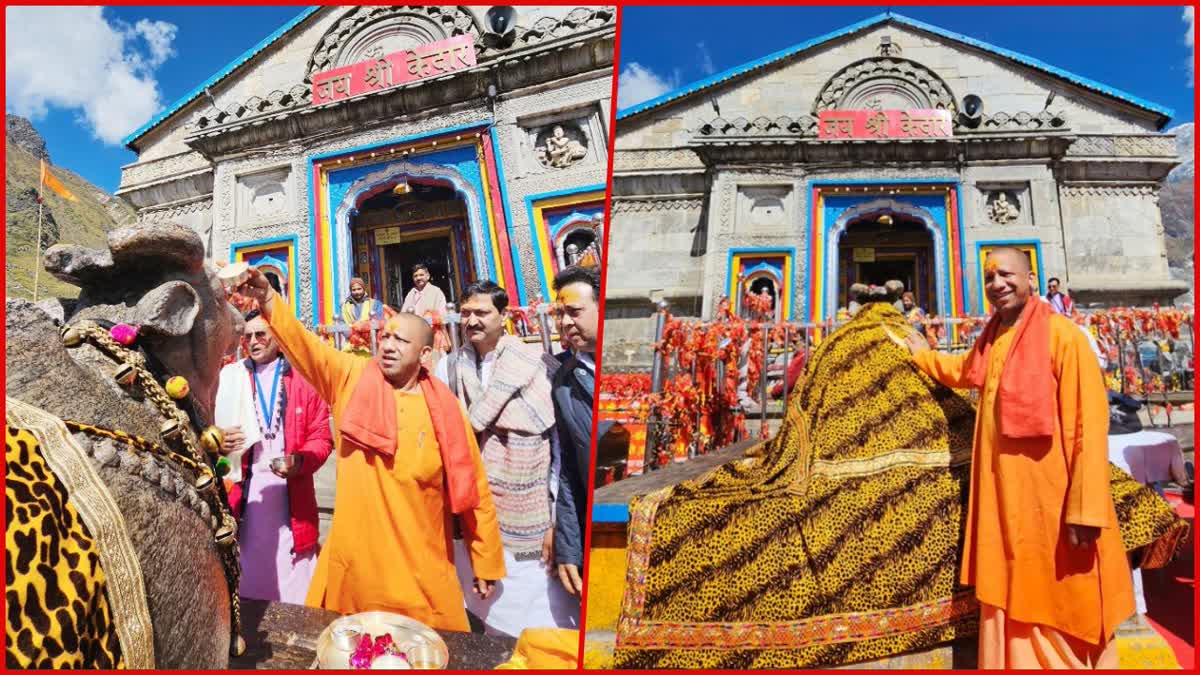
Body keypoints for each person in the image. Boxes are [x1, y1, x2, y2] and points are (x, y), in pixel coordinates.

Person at [235, 267, 506, 632]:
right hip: (357, 567)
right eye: (387, 336)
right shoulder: (351, 378)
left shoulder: (445, 408)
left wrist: (484, 558)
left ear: (425, 354)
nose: (389, 345)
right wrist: (269, 299)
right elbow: (306, 346)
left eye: (401, 341)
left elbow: (472, 484)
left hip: (422, 567)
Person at [902, 247, 1134, 669]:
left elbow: (1088, 425)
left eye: (1007, 274)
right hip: (1003, 498)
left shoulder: (1064, 337)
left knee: (1058, 589)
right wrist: (920, 354)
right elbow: (965, 371)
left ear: (1032, 278)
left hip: (1053, 499)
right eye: (990, 278)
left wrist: (1085, 507)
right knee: (1010, 580)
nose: (997, 284)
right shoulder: (995, 336)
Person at [432, 280, 578, 635]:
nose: (471, 321)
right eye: (465, 313)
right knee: (486, 608)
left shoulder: (537, 365)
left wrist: (556, 516)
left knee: (538, 610)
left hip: (529, 513)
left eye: (482, 313)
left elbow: (558, 446)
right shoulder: (449, 369)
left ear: (505, 316)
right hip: (476, 510)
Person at [217, 310, 333, 603]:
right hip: (247, 491)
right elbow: (205, 425)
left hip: (291, 489)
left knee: (296, 581)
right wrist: (218, 438)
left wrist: (301, 461)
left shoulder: (304, 380)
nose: (253, 342)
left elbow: (321, 436)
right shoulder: (230, 377)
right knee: (248, 575)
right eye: (247, 337)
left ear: (279, 339)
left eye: (261, 335)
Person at [549, 265, 607, 598]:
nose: (565, 322)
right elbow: (568, 468)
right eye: (561, 314)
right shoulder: (564, 380)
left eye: (574, 312)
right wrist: (570, 547)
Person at [401, 264, 451, 366]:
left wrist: (428, 318)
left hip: (434, 336)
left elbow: (443, 315)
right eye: (415, 276)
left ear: (427, 276)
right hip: (415, 337)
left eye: (421, 275)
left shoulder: (436, 291)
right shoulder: (411, 294)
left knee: (436, 368)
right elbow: (403, 315)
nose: (418, 278)